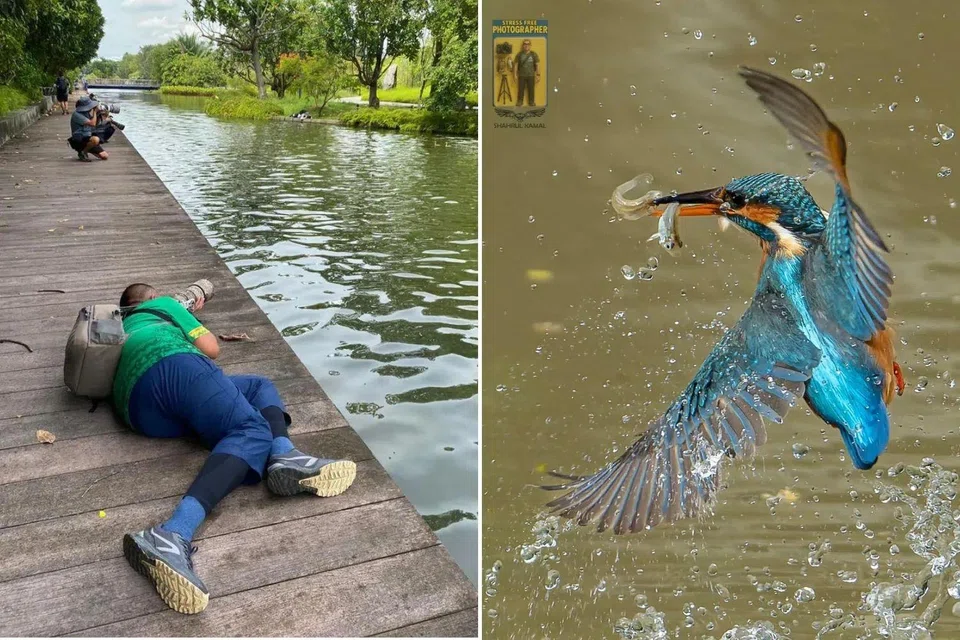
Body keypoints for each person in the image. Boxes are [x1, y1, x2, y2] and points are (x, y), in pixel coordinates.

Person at [115, 283, 357, 615]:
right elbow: (211, 348)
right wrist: (187, 315)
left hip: (138, 412)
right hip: (173, 366)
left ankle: (283, 453)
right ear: (153, 297)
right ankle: (173, 531)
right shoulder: (166, 305)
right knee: (253, 429)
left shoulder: (121, 324)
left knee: (257, 386)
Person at [68, 97, 108, 161]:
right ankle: (83, 152)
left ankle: (86, 149)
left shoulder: (86, 113)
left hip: (88, 138)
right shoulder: (77, 115)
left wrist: (98, 114)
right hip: (79, 139)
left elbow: (95, 124)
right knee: (96, 139)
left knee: (105, 156)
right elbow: (92, 123)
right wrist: (94, 111)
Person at [514, 39, 540, 107]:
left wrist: (538, 75)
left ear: (530, 45)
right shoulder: (519, 54)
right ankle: (520, 101)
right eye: (525, 44)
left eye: (528, 44)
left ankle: (531, 102)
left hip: (531, 75)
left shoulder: (534, 54)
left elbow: (537, 64)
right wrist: (515, 75)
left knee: (531, 90)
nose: (526, 45)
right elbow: (516, 65)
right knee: (520, 90)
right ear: (523, 45)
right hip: (521, 75)